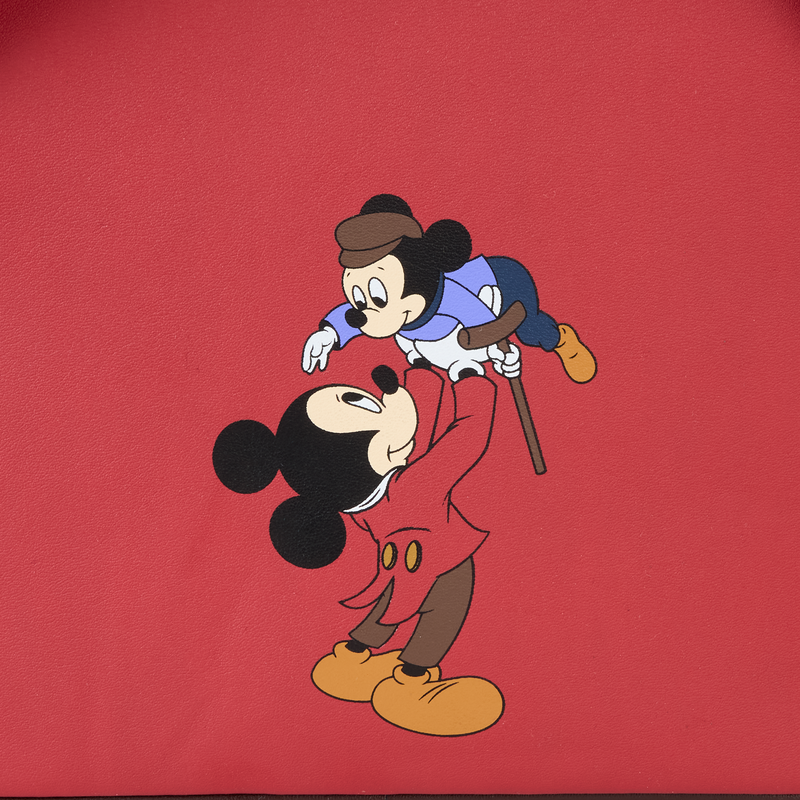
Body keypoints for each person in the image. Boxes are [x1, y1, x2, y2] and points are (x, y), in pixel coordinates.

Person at [213, 363, 504, 736]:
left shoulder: (358, 505)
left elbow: (415, 438)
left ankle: (354, 657)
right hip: (445, 563)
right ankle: (412, 681)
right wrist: (472, 382)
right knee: (439, 616)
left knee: (390, 605)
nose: (387, 404)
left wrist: (421, 376)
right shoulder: (414, 486)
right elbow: (466, 438)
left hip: (397, 563)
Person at [302, 194, 596, 384]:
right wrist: (330, 334)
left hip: (505, 281)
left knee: (530, 330)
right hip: (449, 309)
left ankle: (562, 340)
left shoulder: (453, 299)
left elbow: (488, 328)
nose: (361, 312)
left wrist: (502, 357)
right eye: (359, 298)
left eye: (378, 297)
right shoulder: (395, 307)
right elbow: (357, 314)